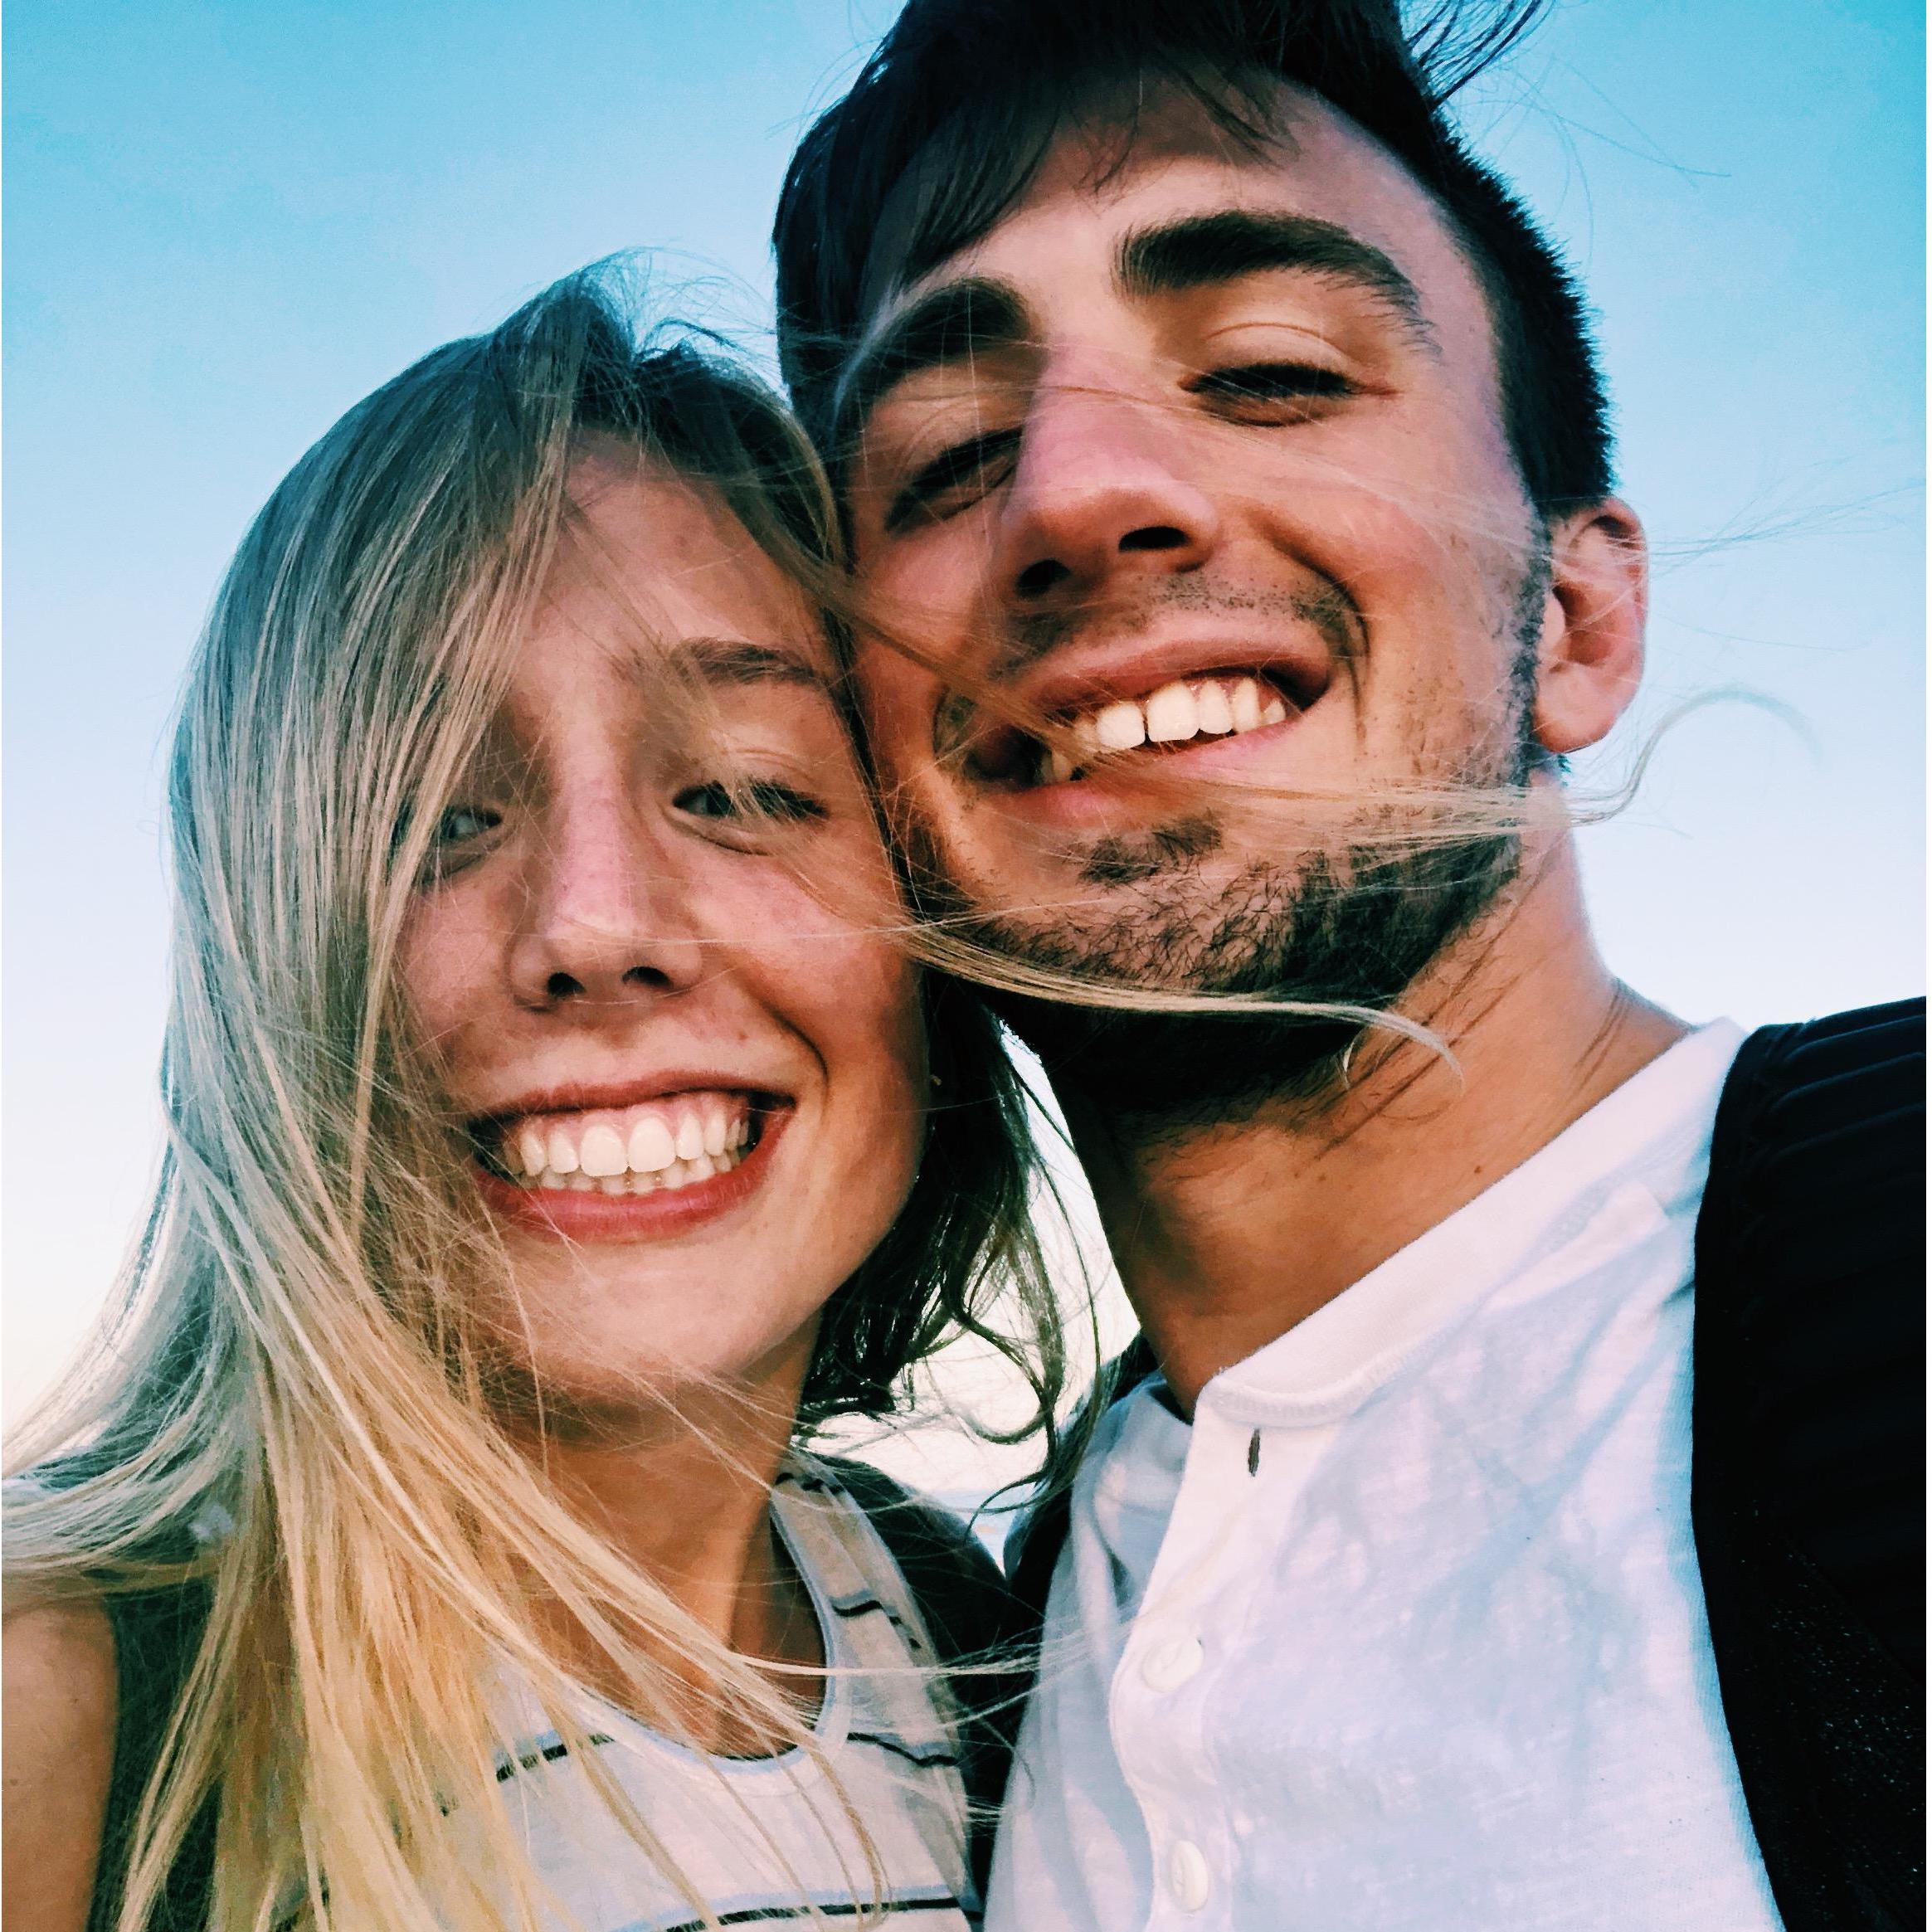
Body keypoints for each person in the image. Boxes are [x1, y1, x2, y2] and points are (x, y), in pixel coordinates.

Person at [771, 2, 1925, 1929]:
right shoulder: (975, 1666)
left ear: (1574, 620)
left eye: (1271, 371)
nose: (1070, 492)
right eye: (949, 455)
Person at [2, 269, 1051, 1932]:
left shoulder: (969, 1642)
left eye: (743, 789)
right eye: (434, 818)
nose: (595, 924)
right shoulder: (61, 1703)